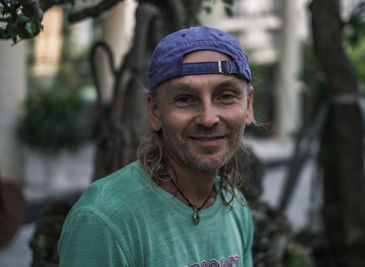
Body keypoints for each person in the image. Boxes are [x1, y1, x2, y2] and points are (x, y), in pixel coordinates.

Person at [58, 25, 254, 267]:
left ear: (249, 106)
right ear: (154, 111)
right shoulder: (104, 220)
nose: (208, 118)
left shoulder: (235, 205)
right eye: (184, 99)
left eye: (226, 96)